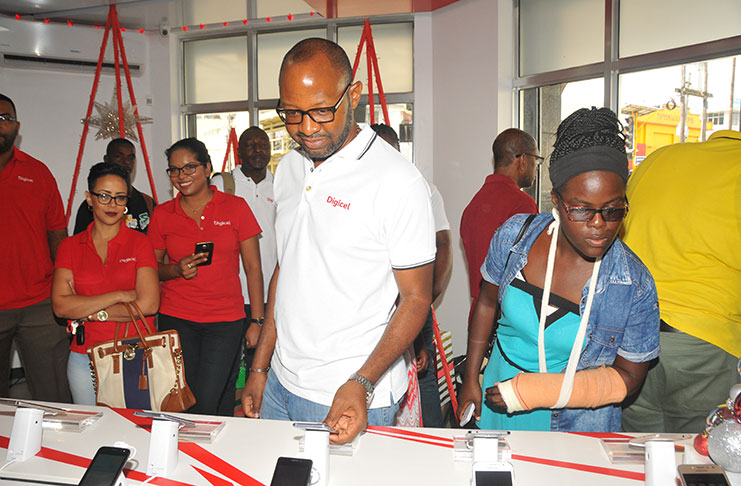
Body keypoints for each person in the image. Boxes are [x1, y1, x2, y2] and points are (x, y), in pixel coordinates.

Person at [241, 38, 435, 444]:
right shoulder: (290, 167)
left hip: (349, 392)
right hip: (280, 382)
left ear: (355, 94)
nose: (306, 128)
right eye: (291, 113)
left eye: (321, 111)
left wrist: (361, 383)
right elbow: (286, 268)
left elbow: (416, 298)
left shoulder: (397, 181)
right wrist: (260, 369)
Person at [457, 107, 660, 432]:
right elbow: (486, 302)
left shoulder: (633, 284)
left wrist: (534, 392)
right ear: (556, 200)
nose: (599, 224)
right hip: (496, 392)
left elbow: (629, 377)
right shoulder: (514, 236)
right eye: (581, 209)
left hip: (574, 421)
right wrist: (470, 378)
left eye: (613, 209)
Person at [621, 130, 741, 433]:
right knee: (699, 458)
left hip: (632, 335)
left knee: (637, 454)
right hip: (705, 343)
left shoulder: (661, 157)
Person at [148, 137, 264, 416]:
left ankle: (198, 450)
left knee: (206, 399)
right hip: (177, 320)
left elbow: (253, 268)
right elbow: (150, 270)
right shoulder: (163, 214)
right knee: (194, 397)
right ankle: (206, 453)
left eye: (189, 168)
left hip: (225, 321)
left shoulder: (235, 207)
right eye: (174, 170)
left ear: (208, 167)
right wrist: (176, 269)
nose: (181, 176)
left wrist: (257, 321)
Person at [51, 163, 160, 404]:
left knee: (133, 431)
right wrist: (119, 295)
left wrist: (90, 313)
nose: (112, 205)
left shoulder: (140, 243)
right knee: (91, 431)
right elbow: (60, 306)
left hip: (134, 352)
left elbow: (149, 305)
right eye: (104, 196)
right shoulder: (70, 247)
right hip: (84, 356)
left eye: (120, 198)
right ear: (89, 198)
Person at [371, 123, 452, 427]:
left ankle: (430, 447)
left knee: (424, 373)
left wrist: (427, 296)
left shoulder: (422, 189)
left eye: (388, 150)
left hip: (410, 301)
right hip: (371, 306)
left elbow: (443, 243)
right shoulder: (356, 191)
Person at [0, 93, 71, 402]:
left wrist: (64, 291)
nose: (0, 125)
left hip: (39, 306)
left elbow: (58, 237)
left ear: (17, 126)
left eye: (6, 118)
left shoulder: (38, 173)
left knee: (52, 397)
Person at [212, 126, 277, 416]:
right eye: (250, 145)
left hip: (270, 297)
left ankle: (261, 421)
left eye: (263, 144)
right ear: (240, 152)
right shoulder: (223, 183)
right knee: (225, 368)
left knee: (265, 367)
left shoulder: (281, 185)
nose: (258, 150)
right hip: (230, 295)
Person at [460, 129, 539, 307]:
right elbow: (532, 270)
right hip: (509, 317)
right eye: (536, 160)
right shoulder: (522, 204)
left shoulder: (474, 204)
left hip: (479, 313)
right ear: (524, 160)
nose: (536, 167)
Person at [73, 138, 156, 235]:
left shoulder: (147, 202)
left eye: (131, 158)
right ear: (106, 159)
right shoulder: (93, 205)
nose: (126, 162)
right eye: (118, 156)